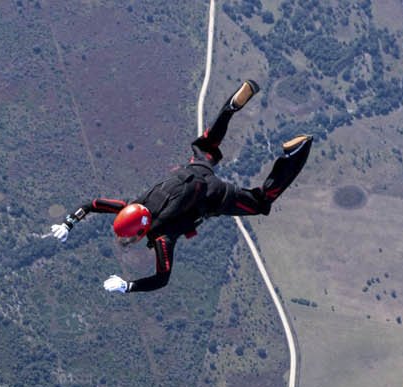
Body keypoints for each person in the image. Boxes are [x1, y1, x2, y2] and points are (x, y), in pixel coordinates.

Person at [56, 79, 312, 295]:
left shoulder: (161, 237)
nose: (128, 240)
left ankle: (295, 153)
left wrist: (128, 286)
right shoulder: (133, 206)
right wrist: (68, 222)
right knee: (207, 143)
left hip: (216, 195)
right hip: (194, 171)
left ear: (142, 229)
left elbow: (162, 278)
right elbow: (93, 205)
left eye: (129, 236)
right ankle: (231, 107)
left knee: (260, 203)